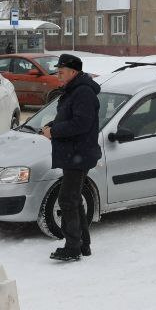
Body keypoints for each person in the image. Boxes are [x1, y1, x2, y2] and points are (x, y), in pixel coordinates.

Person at [41, 54, 101, 262]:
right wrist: (51, 126)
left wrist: (55, 131)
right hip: (74, 153)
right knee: (73, 200)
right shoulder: (73, 90)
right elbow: (69, 118)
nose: (58, 73)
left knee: (67, 199)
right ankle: (82, 244)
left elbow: (81, 124)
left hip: (79, 154)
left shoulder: (83, 92)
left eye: (62, 71)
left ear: (73, 72)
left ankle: (72, 247)